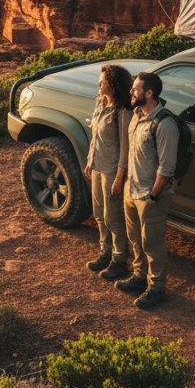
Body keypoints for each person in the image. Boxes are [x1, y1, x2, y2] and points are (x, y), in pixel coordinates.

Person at [117, 70, 178, 309]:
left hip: (151, 196)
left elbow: (167, 168)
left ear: (149, 93)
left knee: (152, 244)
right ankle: (138, 276)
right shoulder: (136, 115)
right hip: (131, 190)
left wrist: (153, 195)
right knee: (135, 239)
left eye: (135, 89)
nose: (131, 92)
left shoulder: (165, 124)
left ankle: (156, 288)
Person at [82, 65, 133, 280]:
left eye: (103, 81)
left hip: (112, 171)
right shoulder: (101, 105)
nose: (99, 84)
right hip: (98, 167)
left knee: (113, 217)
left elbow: (125, 147)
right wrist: (89, 162)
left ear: (113, 85)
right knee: (99, 213)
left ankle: (119, 259)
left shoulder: (122, 113)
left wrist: (120, 177)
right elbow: (96, 138)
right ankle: (105, 252)